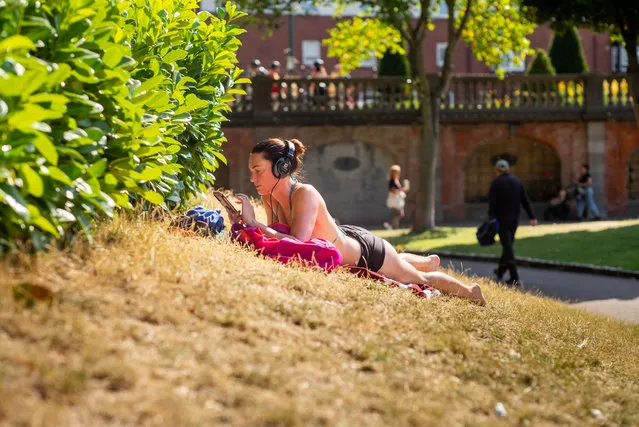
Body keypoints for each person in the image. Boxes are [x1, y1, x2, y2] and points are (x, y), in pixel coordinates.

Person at [227, 137, 485, 304]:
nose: (252, 178)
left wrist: (255, 224)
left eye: (257, 171)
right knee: (397, 262)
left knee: (418, 279)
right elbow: (278, 235)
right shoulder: (271, 196)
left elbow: (297, 243)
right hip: (347, 238)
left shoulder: (305, 194)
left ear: (281, 169)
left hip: (366, 253)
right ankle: (427, 261)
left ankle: (470, 291)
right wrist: (245, 223)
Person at [488, 159, 538, 286]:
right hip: (514, 220)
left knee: (508, 247)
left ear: (497, 170)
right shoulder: (517, 182)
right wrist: (532, 217)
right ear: (508, 169)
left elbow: (492, 203)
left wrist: (490, 218)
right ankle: (500, 272)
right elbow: (525, 201)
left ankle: (515, 278)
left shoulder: (495, 183)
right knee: (508, 246)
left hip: (501, 220)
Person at [384, 165, 409, 230]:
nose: (398, 174)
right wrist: (402, 189)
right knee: (399, 214)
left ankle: (392, 226)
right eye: (396, 172)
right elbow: (393, 191)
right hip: (394, 200)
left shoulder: (396, 180)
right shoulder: (391, 181)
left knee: (398, 214)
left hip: (398, 199)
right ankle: (392, 226)